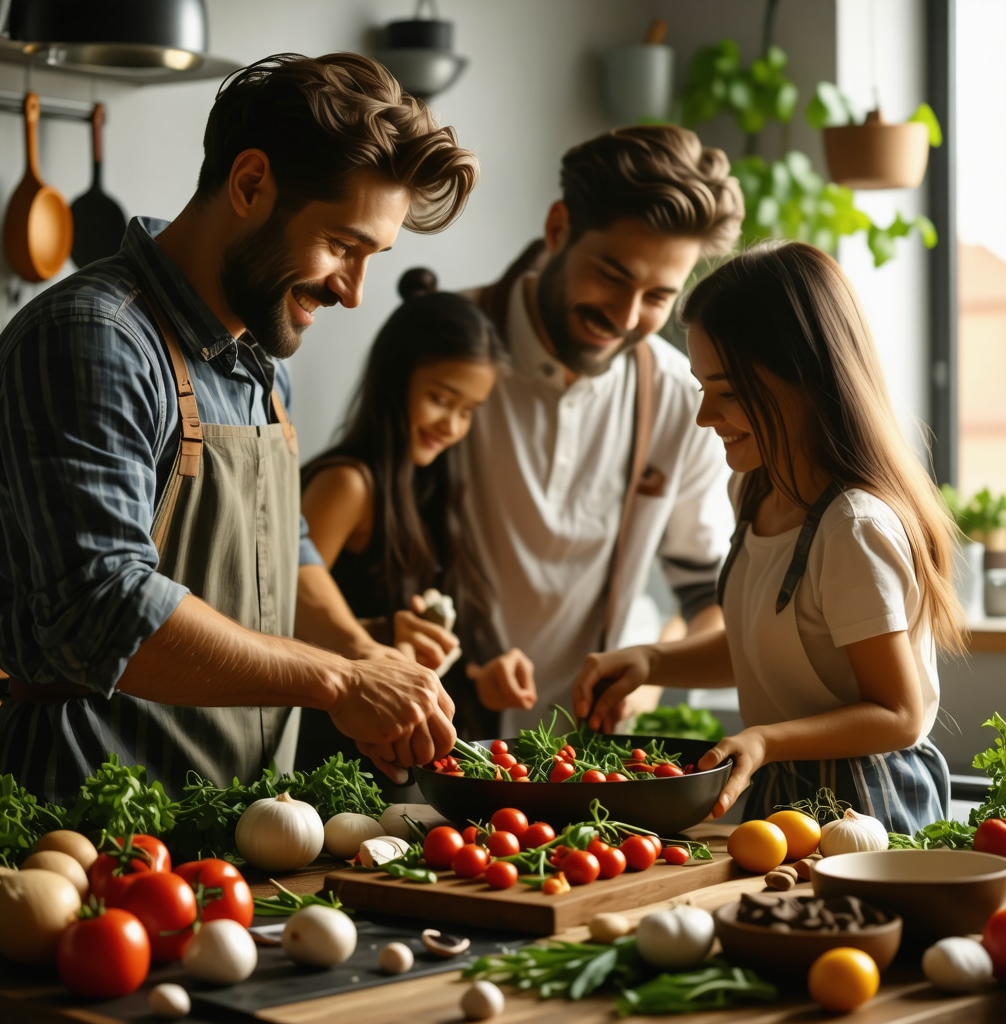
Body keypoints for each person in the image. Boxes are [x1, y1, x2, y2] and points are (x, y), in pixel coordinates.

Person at [0, 52, 480, 804]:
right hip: (89, 834)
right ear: (250, 185)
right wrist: (340, 681)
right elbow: (105, 608)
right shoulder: (95, 338)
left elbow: (282, 547)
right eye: (342, 245)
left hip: (238, 830)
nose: (352, 289)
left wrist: (365, 656)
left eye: (372, 256)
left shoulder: (259, 351)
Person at [573, 240, 965, 835]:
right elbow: (772, 649)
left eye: (728, 392)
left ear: (807, 381)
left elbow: (900, 714)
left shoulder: (852, 527)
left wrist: (764, 738)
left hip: (868, 805)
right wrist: (650, 661)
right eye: (703, 387)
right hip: (783, 788)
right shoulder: (756, 492)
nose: (705, 416)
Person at [459, 124, 744, 735]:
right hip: (431, 743)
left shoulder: (678, 398)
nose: (625, 315)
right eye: (613, 276)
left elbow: (711, 599)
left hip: (583, 763)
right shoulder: (444, 349)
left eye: (657, 295)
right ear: (559, 228)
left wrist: (655, 674)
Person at [296, 267, 534, 772]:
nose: (452, 425)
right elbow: (276, 618)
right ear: (395, 379)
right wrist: (381, 631)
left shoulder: (433, 488)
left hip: (403, 758)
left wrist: (482, 668)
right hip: (337, 765)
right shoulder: (348, 485)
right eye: (441, 399)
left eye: (468, 410)